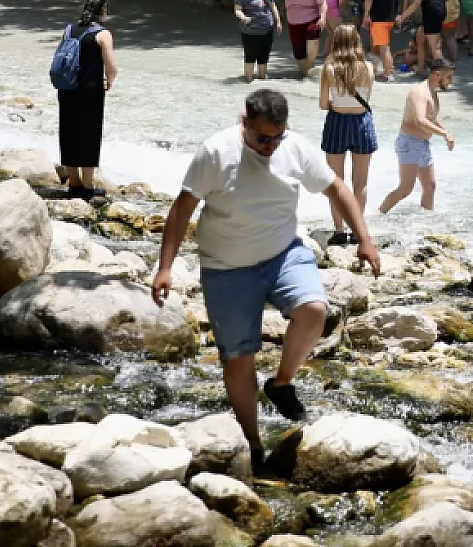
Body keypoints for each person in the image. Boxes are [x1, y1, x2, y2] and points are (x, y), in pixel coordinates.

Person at [152, 90, 380, 459]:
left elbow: (336, 187)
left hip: (282, 253)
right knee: (238, 357)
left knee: (314, 310)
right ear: (244, 124)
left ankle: (282, 382)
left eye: (278, 136)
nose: (271, 145)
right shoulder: (215, 152)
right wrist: (165, 268)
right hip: (226, 266)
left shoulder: (295, 147)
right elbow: (182, 209)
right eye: (262, 138)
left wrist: (364, 239)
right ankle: (253, 445)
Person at [317, 22, 377, 242]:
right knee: (361, 182)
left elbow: (324, 104)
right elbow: (366, 98)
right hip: (362, 122)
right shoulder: (368, 68)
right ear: (357, 41)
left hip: (337, 122)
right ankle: (357, 231)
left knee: (336, 181)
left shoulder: (329, 69)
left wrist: (337, 104)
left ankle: (340, 231)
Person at [55, 0, 116, 198]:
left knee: (69, 131)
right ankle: (88, 187)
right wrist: (110, 80)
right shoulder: (103, 34)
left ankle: (74, 183)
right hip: (90, 92)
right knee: (89, 134)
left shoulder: (69, 29)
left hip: (67, 88)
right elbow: (112, 67)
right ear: (103, 11)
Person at [379, 61, 455, 213]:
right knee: (405, 189)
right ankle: (379, 214)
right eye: (448, 77)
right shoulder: (420, 92)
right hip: (409, 143)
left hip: (423, 143)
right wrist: (444, 134)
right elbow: (420, 120)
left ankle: (425, 222)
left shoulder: (433, 91)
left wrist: (446, 131)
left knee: (430, 186)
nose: (451, 81)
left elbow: (431, 117)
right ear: (437, 74)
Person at [361, 0, 406, 82]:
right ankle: (376, 69)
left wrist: (366, 14)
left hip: (379, 17)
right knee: (377, 43)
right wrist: (402, 14)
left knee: (384, 46)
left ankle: (388, 74)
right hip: (392, 16)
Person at [275, 0, 327, 78]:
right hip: (294, 23)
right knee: (299, 53)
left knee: (313, 34)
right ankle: (307, 78)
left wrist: (323, 17)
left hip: (311, 18)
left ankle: (312, 63)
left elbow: (322, 3)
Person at [234, 0, 281, 82]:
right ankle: (248, 81)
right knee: (250, 57)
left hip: (267, 30)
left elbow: (273, 6)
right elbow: (237, 10)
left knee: (263, 57)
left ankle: (262, 81)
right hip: (250, 32)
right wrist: (243, 17)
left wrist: (278, 21)